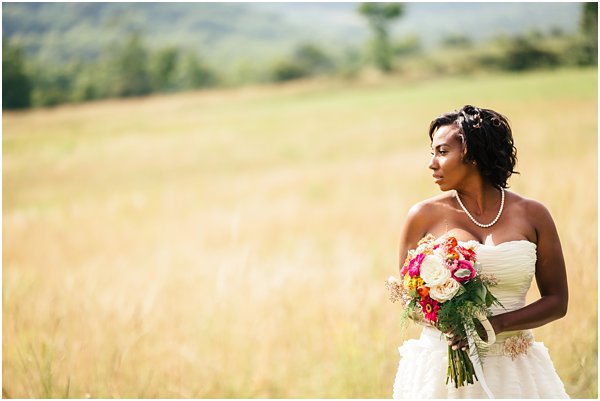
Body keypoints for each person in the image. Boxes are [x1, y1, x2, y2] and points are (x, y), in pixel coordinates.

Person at [392, 105, 569, 398]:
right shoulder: (422, 216)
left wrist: (493, 326)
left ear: (472, 154)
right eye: (432, 152)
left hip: (515, 368)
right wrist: (447, 321)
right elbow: (408, 298)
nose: (432, 163)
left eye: (442, 151)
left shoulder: (533, 214)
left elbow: (557, 301)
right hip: (442, 369)